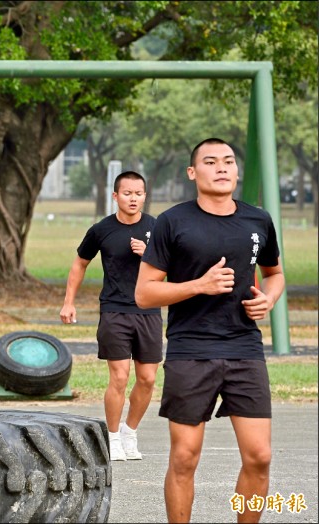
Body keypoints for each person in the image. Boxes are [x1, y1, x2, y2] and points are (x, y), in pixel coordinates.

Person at [136, 138, 285, 523]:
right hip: (191, 349)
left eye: (228, 161)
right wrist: (198, 285)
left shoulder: (258, 220)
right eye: (210, 161)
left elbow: (275, 274)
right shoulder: (173, 221)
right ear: (192, 172)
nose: (221, 168)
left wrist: (268, 300)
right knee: (185, 457)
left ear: (237, 172)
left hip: (245, 347)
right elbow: (145, 293)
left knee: (260, 456)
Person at [59, 171, 162, 462]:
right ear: (115, 196)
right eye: (127, 193)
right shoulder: (101, 229)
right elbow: (80, 264)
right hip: (115, 310)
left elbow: (174, 270)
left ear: (144, 195)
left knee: (148, 378)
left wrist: (149, 254)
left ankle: (130, 432)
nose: (133, 198)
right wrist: (69, 302)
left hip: (149, 310)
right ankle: (113, 438)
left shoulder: (157, 228)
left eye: (138, 193)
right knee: (119, 376)